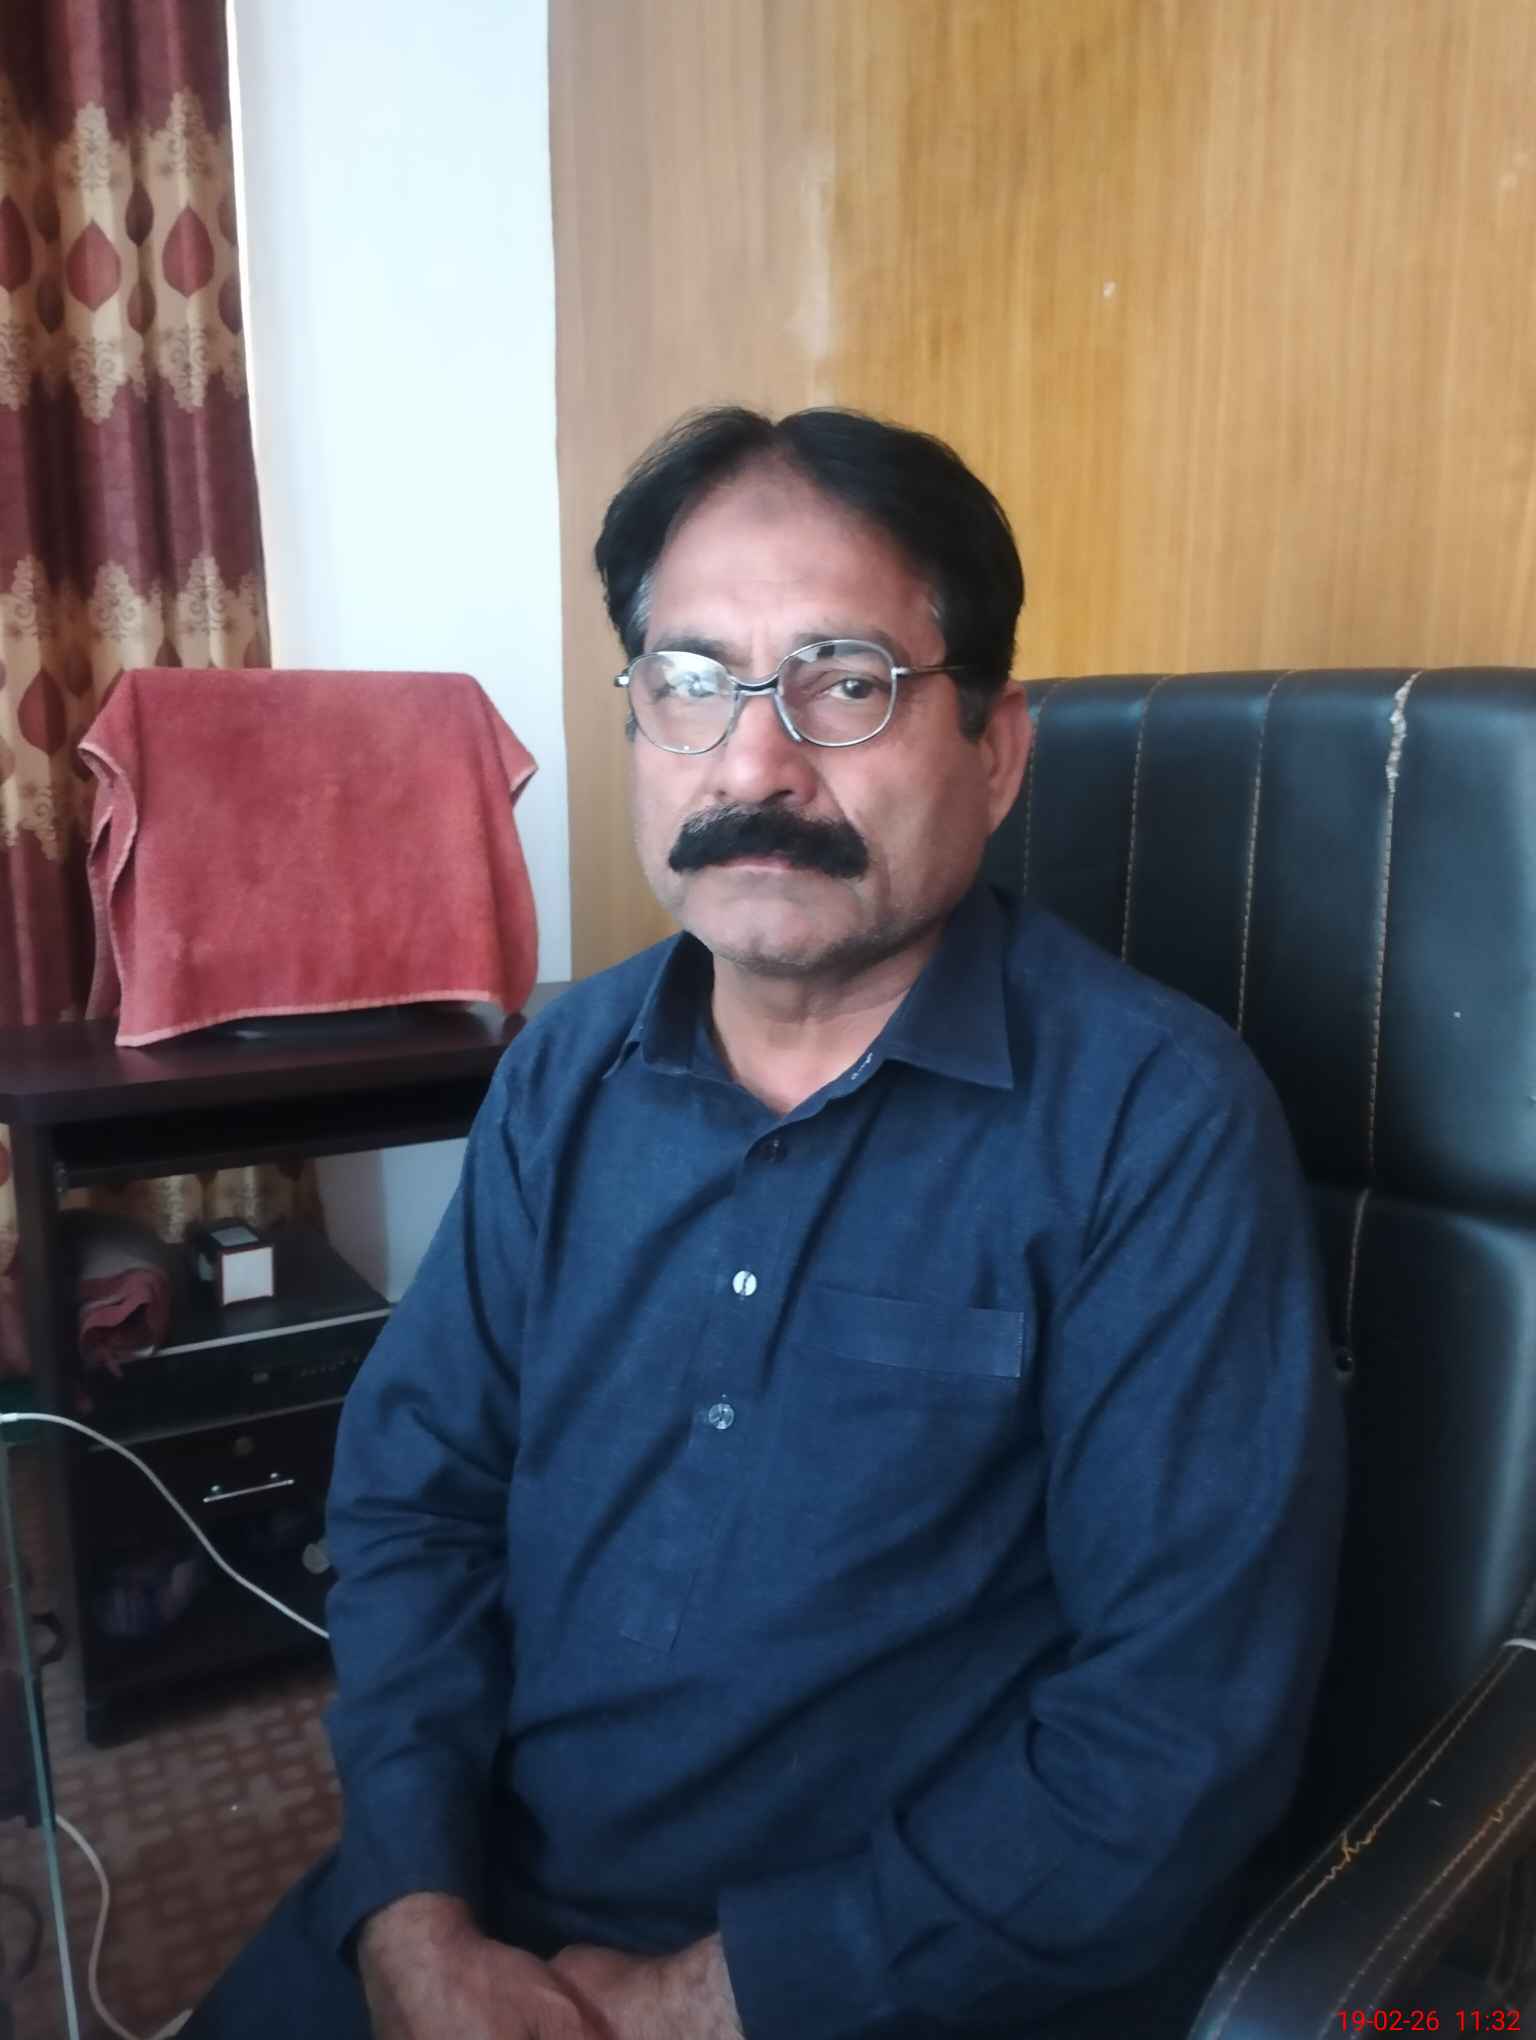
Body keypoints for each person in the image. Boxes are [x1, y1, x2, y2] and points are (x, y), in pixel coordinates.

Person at [185, 407, 1344, 2040]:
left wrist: (699, 2003)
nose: (751, 764)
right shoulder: (565, 1074)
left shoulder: (1155, 1125)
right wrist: (412, 1903)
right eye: (691, 682)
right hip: (478, 1898)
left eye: (845, 682)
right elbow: (416, 1503)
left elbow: (1177, 1727)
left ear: (996, 750)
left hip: (890, 1979)